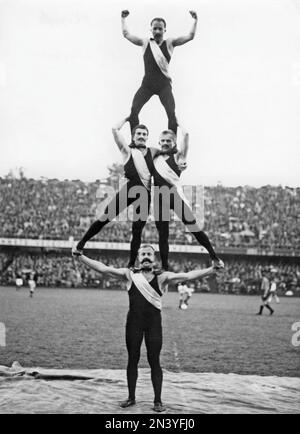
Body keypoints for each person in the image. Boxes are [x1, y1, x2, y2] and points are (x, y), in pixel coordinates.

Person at [72, 243, 220, 412]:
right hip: (133, 323)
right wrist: (81, 257)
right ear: (138, 258)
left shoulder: (162, 277)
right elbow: (105, 269)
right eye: (143, 254)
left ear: (154, 258)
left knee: (154, 361)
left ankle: (157, 401)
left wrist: (211, 270)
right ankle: (131, 397)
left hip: (153, 325)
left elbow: (187, 275)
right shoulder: (129, 275)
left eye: (149, 254)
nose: (146, 257)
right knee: (132, 360)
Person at [75, 118, 157, 268]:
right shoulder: (128, 150)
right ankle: (81, 243)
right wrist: (127, 118)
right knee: (105, 217)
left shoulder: (153, 153)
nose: (141, 136)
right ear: (133, 136)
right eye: (138, 133)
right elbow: (114, 129)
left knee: (137, 230)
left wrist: (181, 164)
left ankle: (131, 264)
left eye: (144, 134)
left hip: (145, 194)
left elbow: (170, 155)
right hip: (129, 190)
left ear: (147, 136)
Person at [152, 125, 224, 271]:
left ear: (174, 143)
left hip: (174, 194)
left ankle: (214, 258)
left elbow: (186, 136)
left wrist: (177, 121)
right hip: (159, 196)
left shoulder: (178, 156)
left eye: (169, 141)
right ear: (159, 142)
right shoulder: (154, 157)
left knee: (193, 227)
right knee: (163, 234)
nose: (165, 143)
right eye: (163, 141)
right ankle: (165, 267)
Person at [121, 10, 198, 135]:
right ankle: (134, 142)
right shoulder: (145, 42)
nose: (157, 31)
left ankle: (172, 145)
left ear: (164, 30)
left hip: (164, 85)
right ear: (151, 29)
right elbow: (126, 34)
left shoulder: (170, 43)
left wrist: (195, 20)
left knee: (171, 114)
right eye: (155, 28)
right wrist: (123, 19)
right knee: (134, 110)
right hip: (147, 85)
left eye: (160, 29)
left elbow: (190, 36)